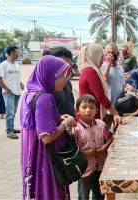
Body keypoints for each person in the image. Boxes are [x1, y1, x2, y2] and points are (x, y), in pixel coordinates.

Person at [20, 55, 77, 200]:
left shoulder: (29, 94)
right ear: (49, 75)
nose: (65, 79)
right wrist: (65, 124)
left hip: (32, 155)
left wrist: (57, 119)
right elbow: (46, 137)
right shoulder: (44, 98)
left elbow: (35, 125)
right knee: (50, 192)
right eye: (61, 75)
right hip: (46, 157)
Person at [72, 94, 113, 200]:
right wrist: (85, 152)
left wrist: (105, 146)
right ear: (77, 111)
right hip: (85, 171)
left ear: (97, 110)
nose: (88, 110)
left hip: (101, 167)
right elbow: (73, 151)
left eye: (92, 107)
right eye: (84, 107)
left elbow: (110, 137)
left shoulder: (101, 124)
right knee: (83, 195)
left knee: (99, 195)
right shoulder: (76, 129)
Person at [77, 43, 123, 125]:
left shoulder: (89, 69)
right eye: (102, 57)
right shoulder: (90, 72)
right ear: (95, 56)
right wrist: (115, 113)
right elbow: (100, 96)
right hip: (91, 114)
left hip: (91, 112)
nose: (103, 60)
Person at [0, 46, 24, 139]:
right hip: (9, 93)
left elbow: (16, 77)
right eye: (17, 52)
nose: (18, 53)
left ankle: (11, 128)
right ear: (12, 53)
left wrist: (20, 83)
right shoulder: (3, 65)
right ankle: (9, 131)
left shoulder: (16, 65)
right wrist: (6, 88)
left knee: (13, 111)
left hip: (17, 92)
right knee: (10, 112)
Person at [101, 43, 125, 128]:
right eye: (108, 53)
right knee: (106, 130)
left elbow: (122, 84)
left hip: (119, 106)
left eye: (113, 52)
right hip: (108, 107)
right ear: (105, 54)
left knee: (119, 129)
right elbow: (104, 79)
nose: (111, 55)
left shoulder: (120, 68)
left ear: (117, 54)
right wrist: (108, 63)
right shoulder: (103, 66)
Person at [51, 47, 75, 117]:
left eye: (68, 65)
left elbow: (71, 104)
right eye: (62, 65)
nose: (65, 69)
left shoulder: (67, 83)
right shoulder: (46, 89)